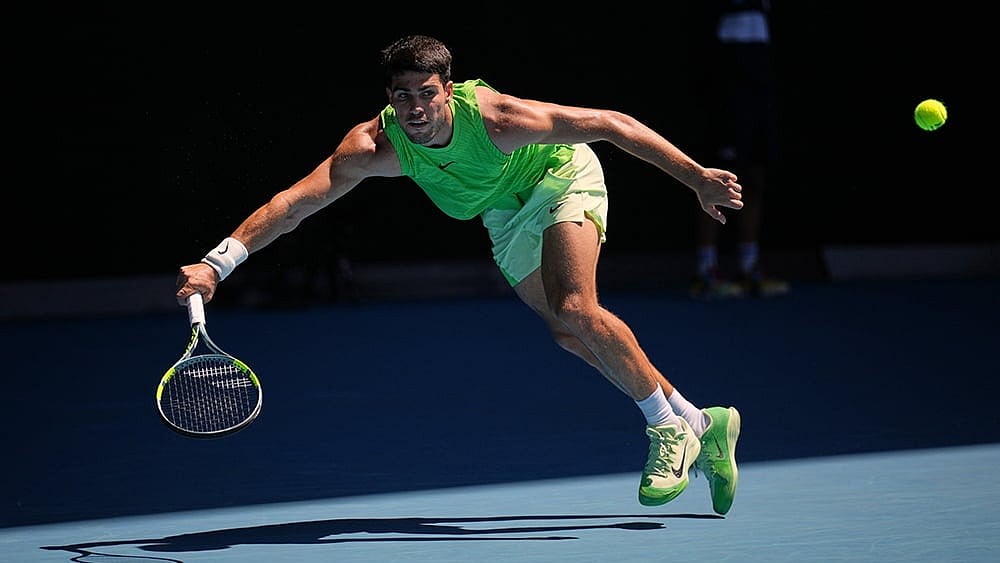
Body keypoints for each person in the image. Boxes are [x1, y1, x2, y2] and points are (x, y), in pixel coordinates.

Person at [175, 35, 742, 514]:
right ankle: (702, 421)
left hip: (559, 177)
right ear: (389, 99)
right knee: (568, 335)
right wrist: (217, 261)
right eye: (404, 97)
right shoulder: (373, 147)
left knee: (577, 307)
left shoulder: (498, 120)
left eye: (428, 94)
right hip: (503, 210)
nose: (417, 108)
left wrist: (694, 177)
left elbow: (611, 124)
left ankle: (666, 430)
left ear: (449, 90)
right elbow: (294, 204)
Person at [689, 0, 790, 299]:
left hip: (762, 73)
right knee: (718, 176)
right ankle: (706, 270)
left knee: (757, 174)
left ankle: (749, 266)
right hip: (729, 74)